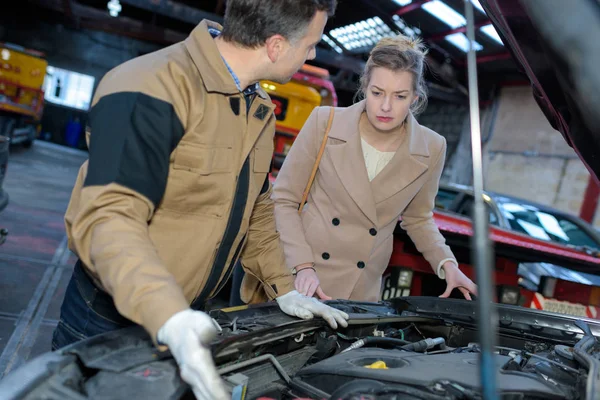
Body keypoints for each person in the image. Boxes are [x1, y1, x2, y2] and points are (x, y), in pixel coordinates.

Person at [52, 1, 349, 399]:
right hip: (109, 321)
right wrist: (168, 316)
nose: (312, 54)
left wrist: (286, 287)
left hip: (188, 318)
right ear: (277, 46)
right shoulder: (149, 86)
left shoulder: (257, 107)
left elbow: (256, 209)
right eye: (311, 44)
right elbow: (108, 218)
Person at [271, 35, 478, 302]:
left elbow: (418, 218)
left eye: (400, 96)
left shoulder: (432, 147)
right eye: (377, 93)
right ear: (365, 86)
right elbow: (284, 199)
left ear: (415, 98)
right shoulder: (325, 122)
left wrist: (448, 265)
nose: (386, 106)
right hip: (302, 275)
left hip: (360, 290)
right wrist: (302, 266)